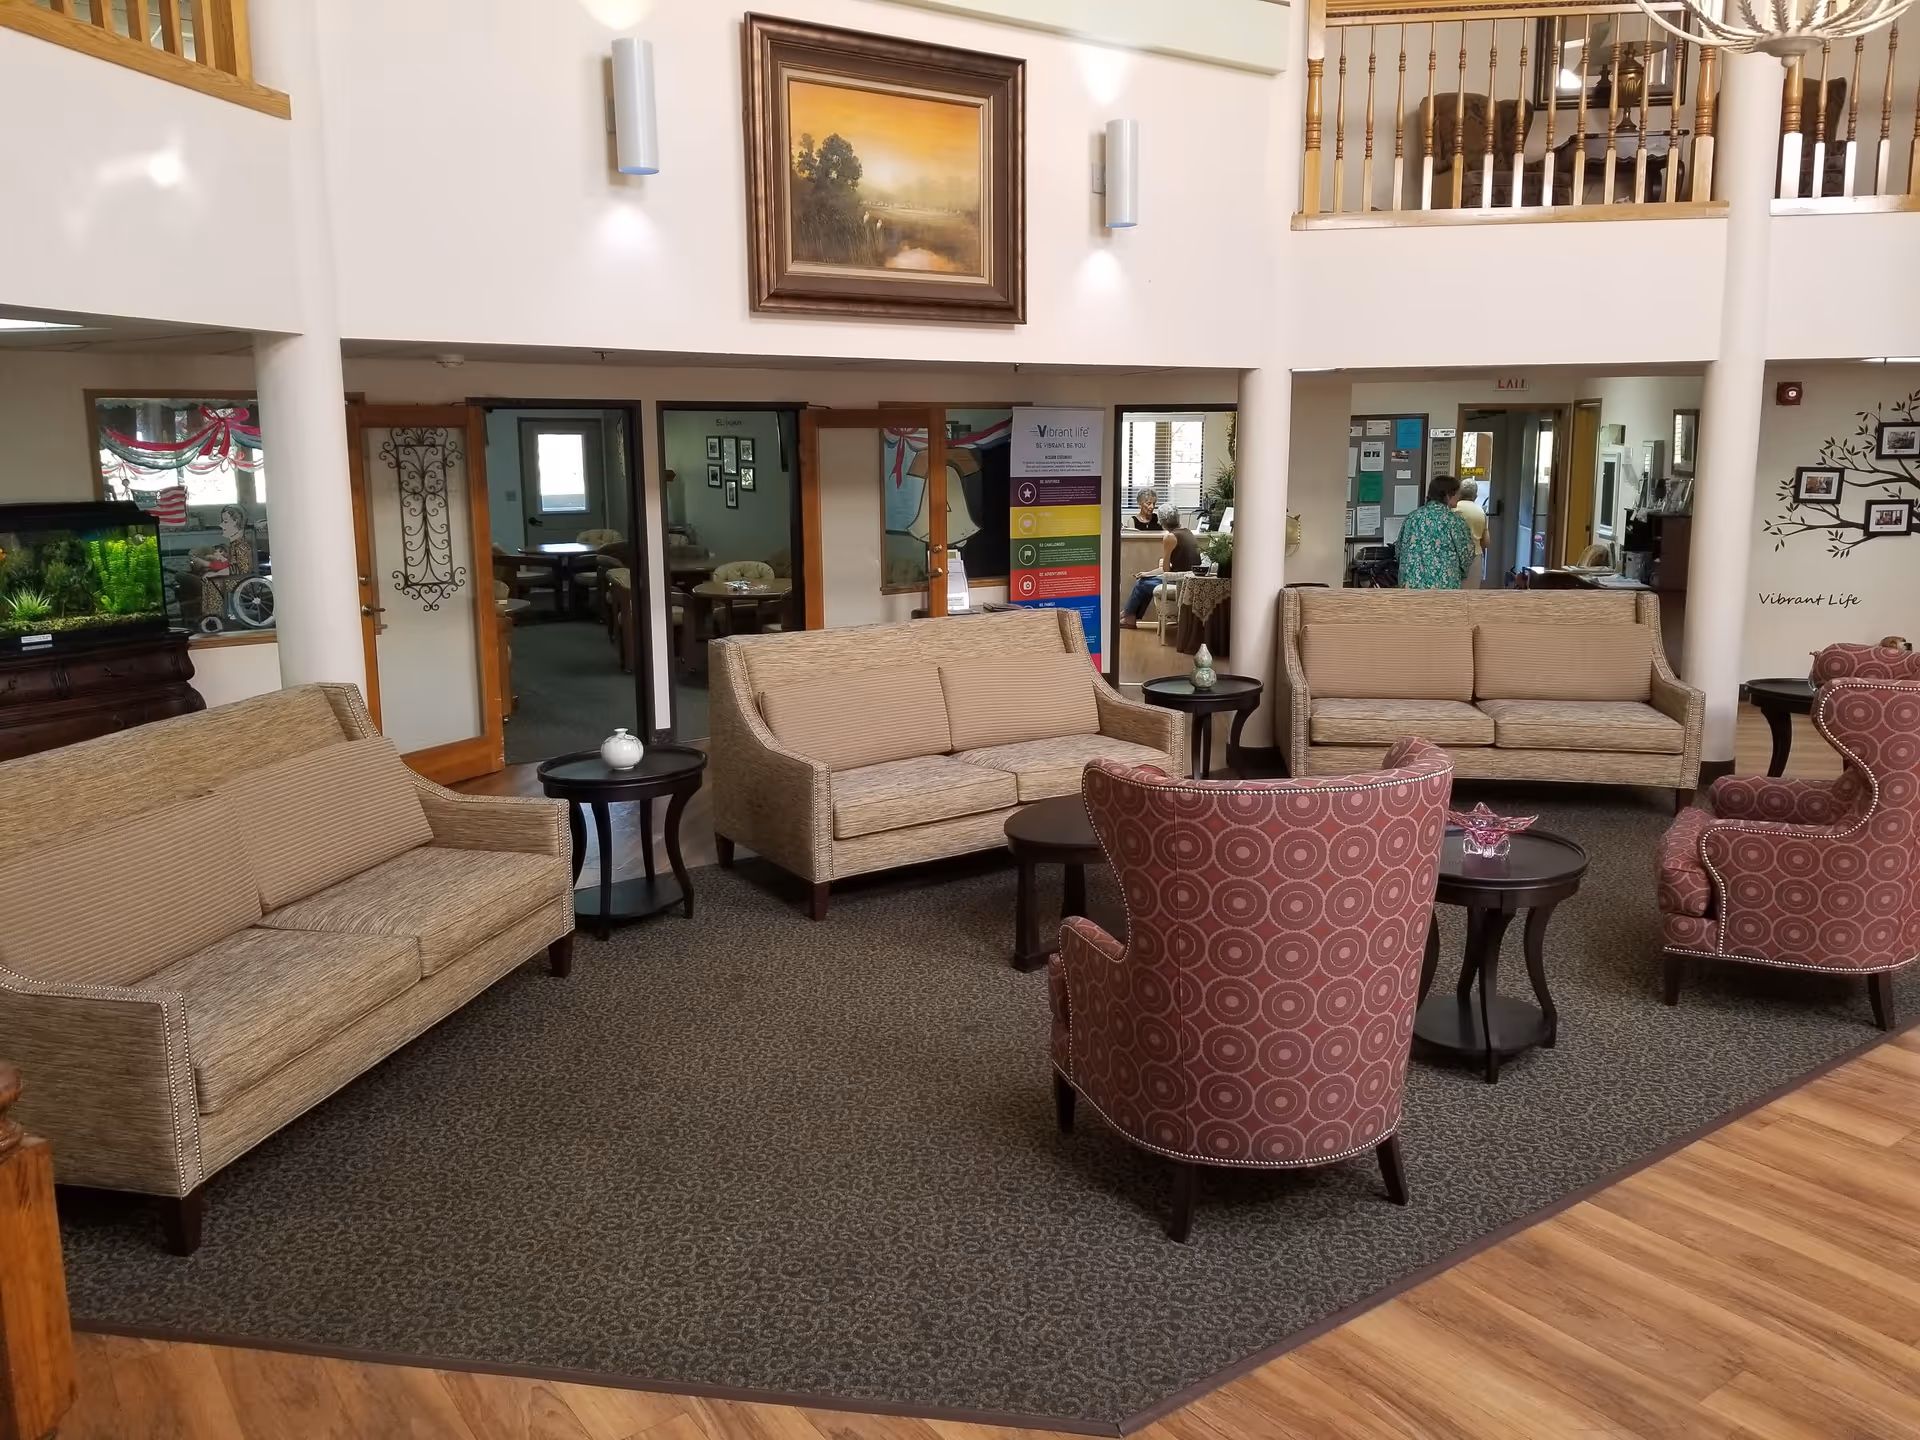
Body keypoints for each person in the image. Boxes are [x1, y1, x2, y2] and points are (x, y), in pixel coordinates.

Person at [1119, 511, 1202, 626]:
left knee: (1142, 584)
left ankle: (1127, 615)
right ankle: (1130, 616)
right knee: (1144, 581)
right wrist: (1148, 573)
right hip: (1188, 577)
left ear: (1161, 522)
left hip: (1179, 581)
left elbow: (1166, 569)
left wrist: (1149, 575)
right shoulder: (1187, 532)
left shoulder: (1170, 537)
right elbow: (1171, 567)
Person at [1395, 476, 1476, 590]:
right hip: (1444, 587)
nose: (1459, 497)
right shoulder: (1454, 521)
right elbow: (1466, 553)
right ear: (1448, 495)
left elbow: (1399, 550)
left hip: (1411, 585)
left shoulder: (1412, 517)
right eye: (1457, 493)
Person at [1454, 477, 1489, 589]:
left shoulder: (1452, 509)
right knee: (1471, 592)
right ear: (1476, 496)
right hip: (1474, 556)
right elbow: (1486, 542)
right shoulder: (1480, 512)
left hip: (1454, 555)